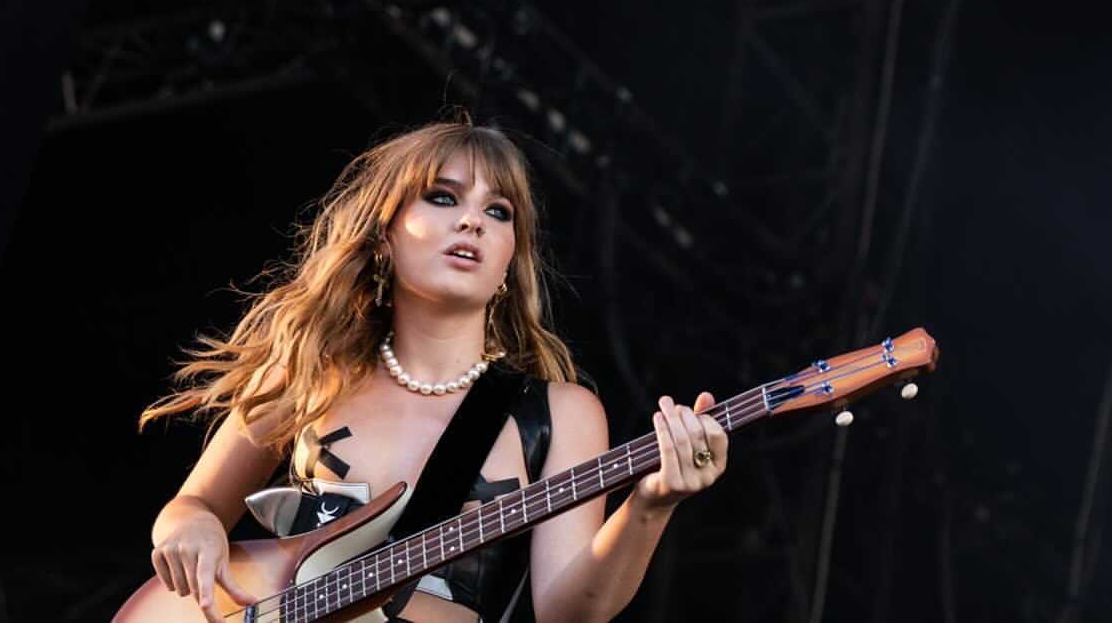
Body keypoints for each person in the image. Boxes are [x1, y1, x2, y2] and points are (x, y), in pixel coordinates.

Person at [139, 119, 729, 623]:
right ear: (383, 235)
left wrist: (651, 503)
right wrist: (191, 528)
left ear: (509, 262)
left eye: (498, 211)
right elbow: (191, 507)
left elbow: (568, 611)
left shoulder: (560, 413)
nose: (472, 221)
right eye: (443, 198)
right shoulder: (309, 376)